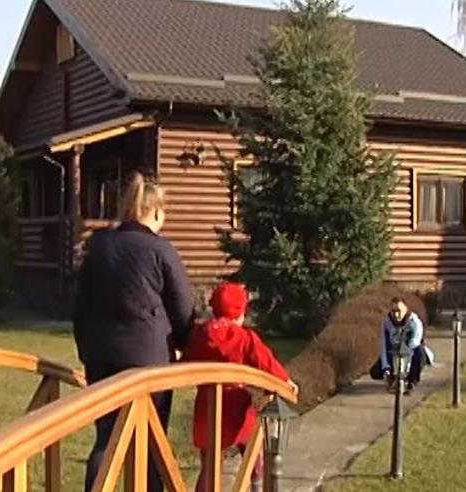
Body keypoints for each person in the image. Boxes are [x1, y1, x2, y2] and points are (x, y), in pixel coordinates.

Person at [73, 172, 194, 492]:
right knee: (151, 439)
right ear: (156, 211)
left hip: (101, 354)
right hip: (148, 358)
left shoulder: (99, 246)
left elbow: (81, 304)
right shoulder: (160, 249)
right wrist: (185, 343)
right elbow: (182, 305)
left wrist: (85, 348)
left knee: (106, 437)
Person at [185, 282, 298, 492]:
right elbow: (265, 361)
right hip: (234, 404)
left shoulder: (200, 335)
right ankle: (256, 484)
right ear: (239, 313)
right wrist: (284, 381)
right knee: (251, 448)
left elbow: (187, 361)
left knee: (209, 464)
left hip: (206, 407)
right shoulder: (244, 338)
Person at [379, 297, 431, 394]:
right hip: (393, 351)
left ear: (406, 309)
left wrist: (404, 370)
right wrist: (386, 368)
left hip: (410, 351)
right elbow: (383, 345)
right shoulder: (387, 324)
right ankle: (392, 378)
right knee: (376, 371)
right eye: (393, 311)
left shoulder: (414, 322)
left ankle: (412, 382)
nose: (396, 315)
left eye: (399, 311)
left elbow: (414, 343)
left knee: (419, 354)